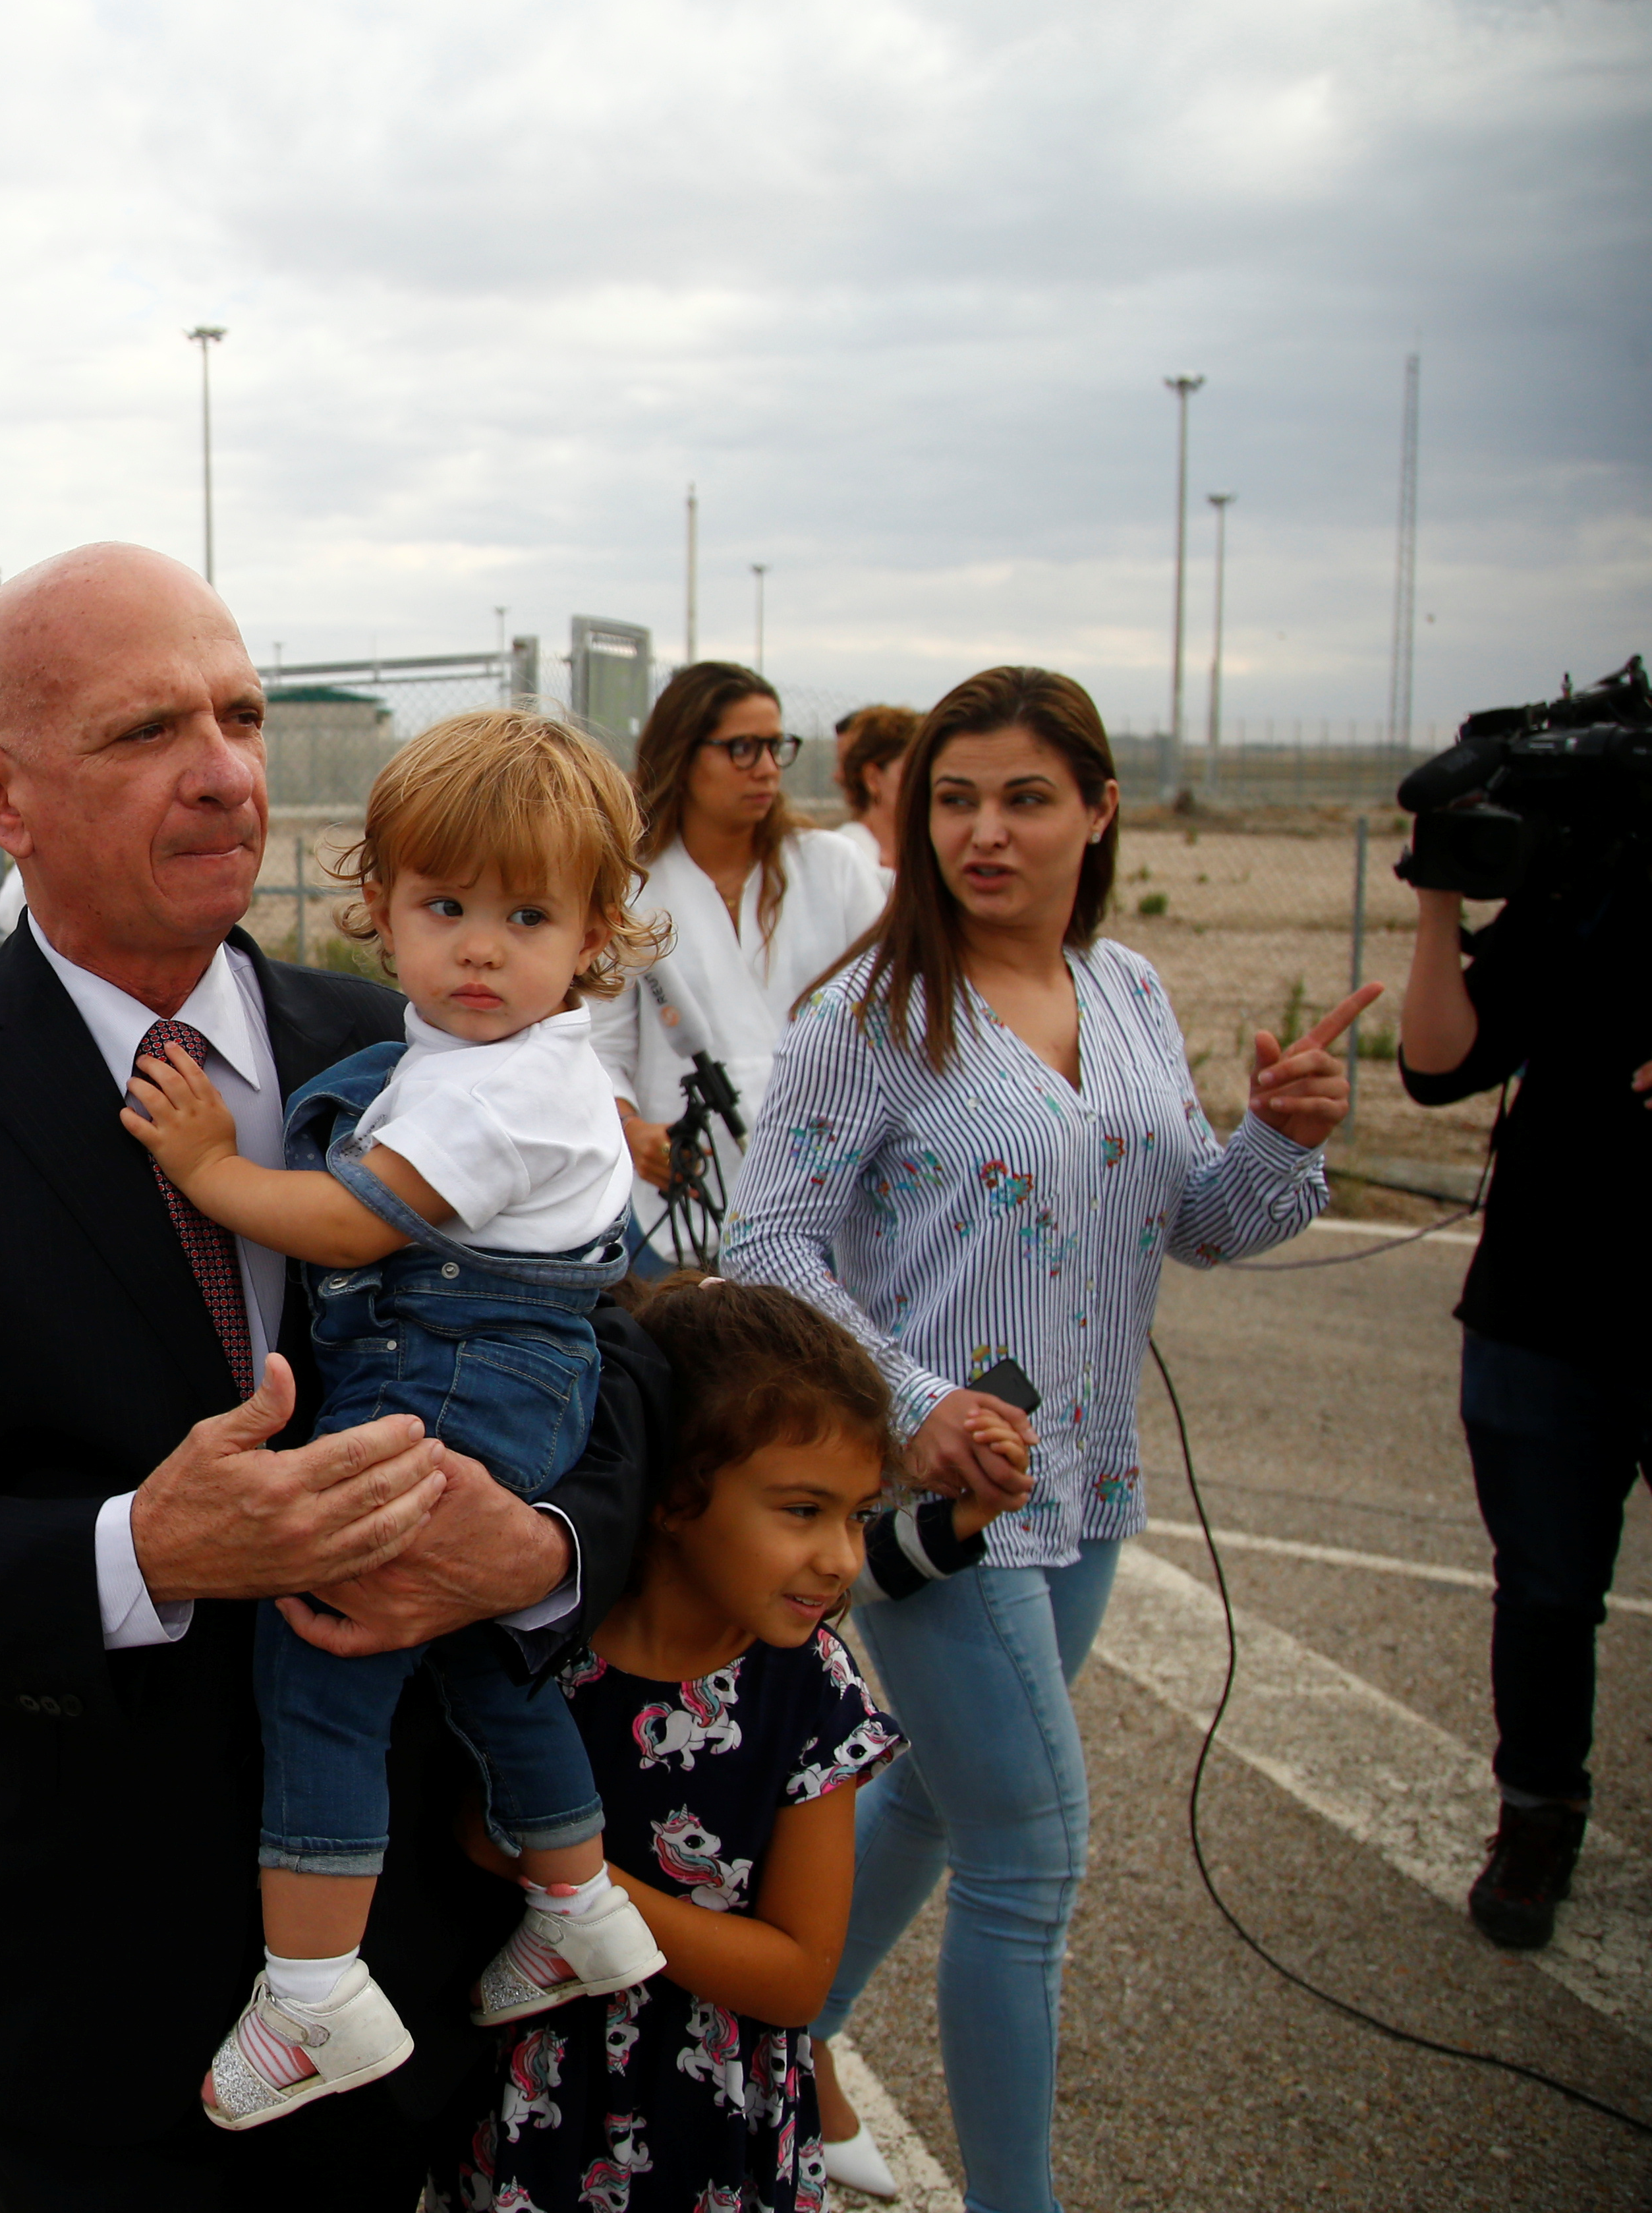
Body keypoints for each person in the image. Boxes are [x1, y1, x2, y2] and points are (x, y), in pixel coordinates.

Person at [0, 542, 667, 2210]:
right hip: (103, 1981)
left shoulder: (427, 1043)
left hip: (430, 1945)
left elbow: (630, 1347)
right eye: (148, 727)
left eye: (239, 712)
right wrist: (139, 1551)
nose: (228, 769)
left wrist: (537, 1550)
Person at [722, 664, 1372, 2213]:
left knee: (945, 1798)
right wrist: (914, 1401)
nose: (982, 831)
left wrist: (1284, 1138)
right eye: (952, 798)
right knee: (1030, 1850)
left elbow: (1196, 1224)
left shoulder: (1130, 989)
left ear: (1097, 809)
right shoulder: (869, 1013)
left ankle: (739, 2061)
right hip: (934, 1501)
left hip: (1083, 1481)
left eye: (1022, 797)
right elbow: (765, 1244)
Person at [115, 711, 669, 2129]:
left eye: (528, 915)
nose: (480, 949)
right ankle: (579, 1898)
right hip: (496, 1384)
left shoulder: (502, 1089)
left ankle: (317, 1997)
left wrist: (208, 1164)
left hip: (456, 1383)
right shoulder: (473, 1059)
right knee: (480, 1660)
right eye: (446, 907)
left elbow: (350, 1229)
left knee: (325, 1670)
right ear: (384, 908)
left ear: (599, 932)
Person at [432, 1275, 1026, 2213]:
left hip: (708, 2137)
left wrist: (566, 1877)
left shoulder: (810, 1692)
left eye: (858, 1515)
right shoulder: (539, 1652)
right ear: (670, 1493)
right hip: (522, 2120)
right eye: (803, 1510)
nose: (839, 1555)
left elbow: (796, 1978)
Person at [1396, 841, 1652, 1949]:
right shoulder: (1577, 888)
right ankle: (1535, 1812)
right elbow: (1437, 1060)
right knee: (1542, 1588)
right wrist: (1440, 896)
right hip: (1541, 1292)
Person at [588, 664, 885, 1267]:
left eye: (776, 747)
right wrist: (633, 1130)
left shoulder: (835, 868)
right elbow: (602, 1047)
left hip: (829, 1196)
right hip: (688, 1205)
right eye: (742, 749)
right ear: (682, 753)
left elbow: (893, 1019)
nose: (768, 768)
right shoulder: (632, 887)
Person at [824, 703, 922, 877]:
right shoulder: (843, 861)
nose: (922, 782)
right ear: (873, 779)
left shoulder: (929, 856)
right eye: (910, 771)